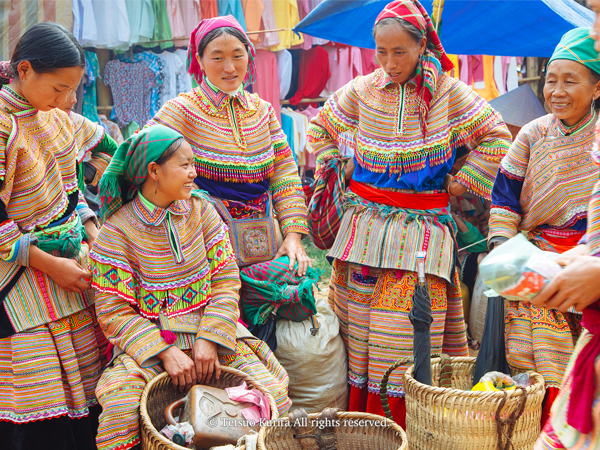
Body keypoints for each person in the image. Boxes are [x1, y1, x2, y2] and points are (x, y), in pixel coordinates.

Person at [306, 0, 511, 427]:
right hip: (364, 232)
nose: (389, 62)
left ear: (422, 45)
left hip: (422, 235)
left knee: (402, 337)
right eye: (381, 51)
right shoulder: (363, 89)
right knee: (356, 333)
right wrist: (334, 165)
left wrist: (461, 182)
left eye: (400, 51)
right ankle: (359, 428)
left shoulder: (450, 94)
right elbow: (319, 126)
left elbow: (496, 137)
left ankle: (407, 428)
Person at [91, 125, 291, 450]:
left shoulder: (203, 213)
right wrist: (165, 352)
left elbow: (226, 281)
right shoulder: (117, 232)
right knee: (120, 409)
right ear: (153, 171)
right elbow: (113, 312)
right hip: (153, 347)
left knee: (271, 396)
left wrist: (210, 339)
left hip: (214, 337)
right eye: (184, 165)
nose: (193, 173)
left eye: (193, 164)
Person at [488, 27, 600, 425]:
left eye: (571, 81)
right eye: (551, 80)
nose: (556, 90)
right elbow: (503, 198)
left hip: (589, 264)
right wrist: (502, 248)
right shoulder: (532, 135)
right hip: (535, 263)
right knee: (535, 358)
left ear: (597, 87)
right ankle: (535, 428)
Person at [0, 23, 104, 450]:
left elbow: (73, 187)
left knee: (88, 395)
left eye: (75, 90)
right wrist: (51, 265)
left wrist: (93, 228)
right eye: (60, 88)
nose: (69, 101)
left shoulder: (55, 118)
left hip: (68, 274)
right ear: (24, 70)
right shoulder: (5, 125)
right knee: (38, 412)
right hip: (20, 283)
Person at [145, 15, 309, 276]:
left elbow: (285, 175)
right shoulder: (182, 110)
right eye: (218, 57)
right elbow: (142, 162)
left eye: (237, 55)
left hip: (267, 239)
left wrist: (293, 235)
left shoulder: (263, 111)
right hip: (204, 242)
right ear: (199, 60)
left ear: (249, 54)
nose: (230, 67)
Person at [59, 90, 118, 194]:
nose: (74, 100)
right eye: (64, 90)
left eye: (74, 91)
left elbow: (111, 149)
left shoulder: (76, 123)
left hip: (76, 204)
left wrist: (88, 173)